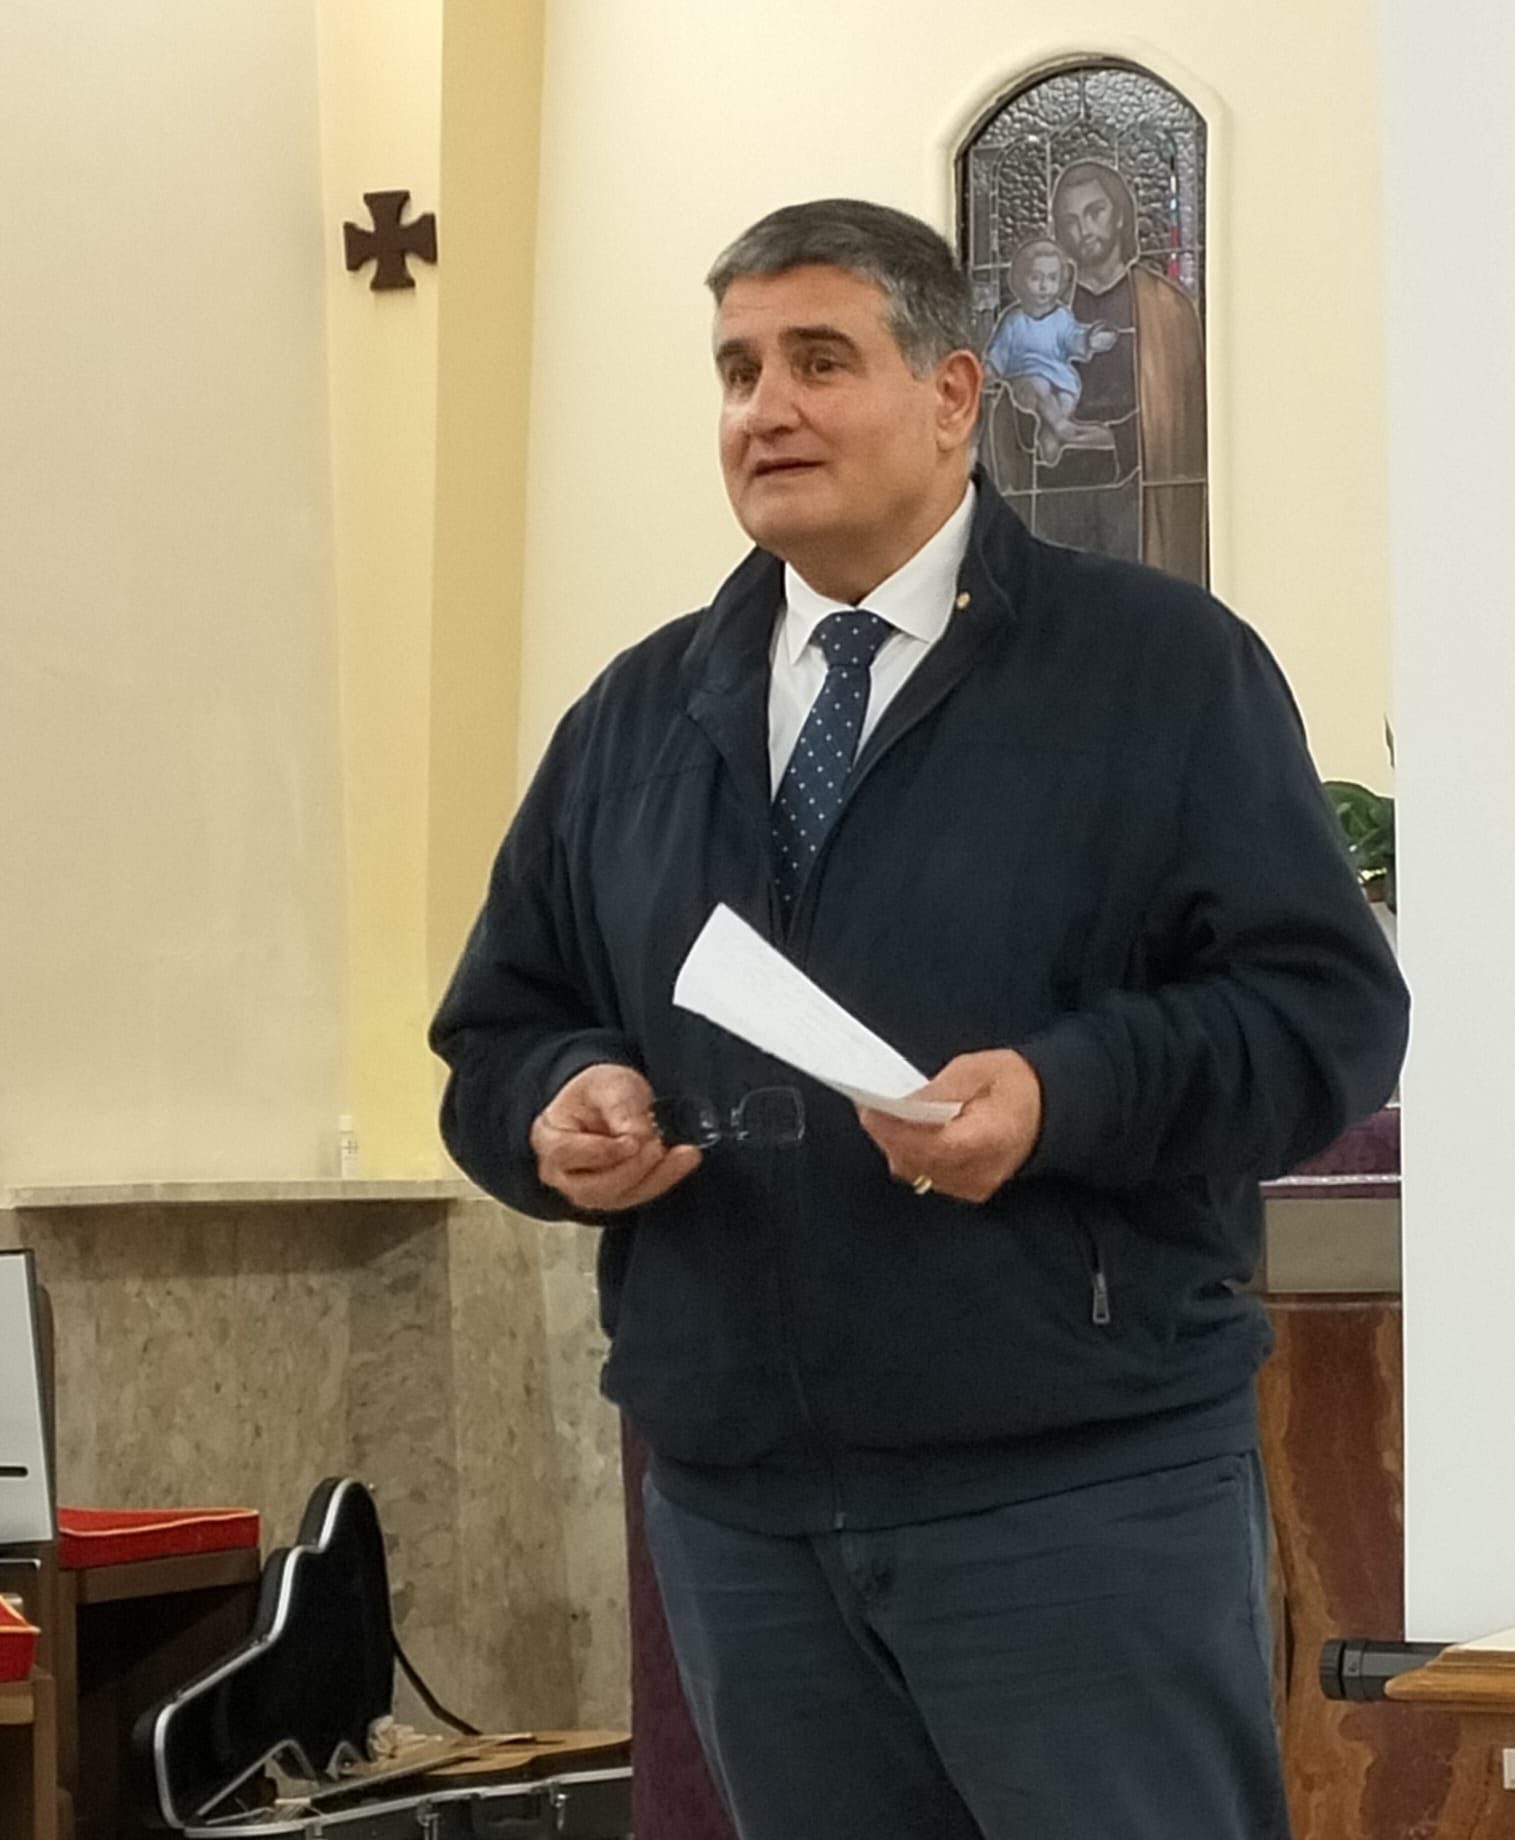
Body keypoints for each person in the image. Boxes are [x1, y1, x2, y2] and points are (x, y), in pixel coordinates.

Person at [430, 198, 1408, 1840]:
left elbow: (1321, 1017)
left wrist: (1059, 1095)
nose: (764, 409)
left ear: (954, 394)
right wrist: (558, 1099)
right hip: (744, 1514)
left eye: (818, 361)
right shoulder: (637, 717)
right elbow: (497, 1030)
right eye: (737, 370)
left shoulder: (1154, 671)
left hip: (1071, 1493)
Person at [1048, 159, 1208, 581]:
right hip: (1059, 495)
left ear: (1119, 215)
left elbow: (1184, 417)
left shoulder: (1166, 307)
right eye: (1071, 220)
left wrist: (1117, 438)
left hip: (1139, 491)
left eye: (1095, 212)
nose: (1084, 230)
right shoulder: (1046, 313)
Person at [983, 236, 1118, 465]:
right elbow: (998, 355)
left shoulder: (1061, 317)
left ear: (1061, 282)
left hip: (1060, 379)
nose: (1044, 286)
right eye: (1036, 278)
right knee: (1039, 384)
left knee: (1064, 399)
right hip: (1026, 383)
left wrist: (1090, 339)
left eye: (1052, 278)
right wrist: (986, 374)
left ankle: (1051, 436)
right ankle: (1061, 428)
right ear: (1020, 280)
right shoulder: (1014, 320)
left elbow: (1073, 338)